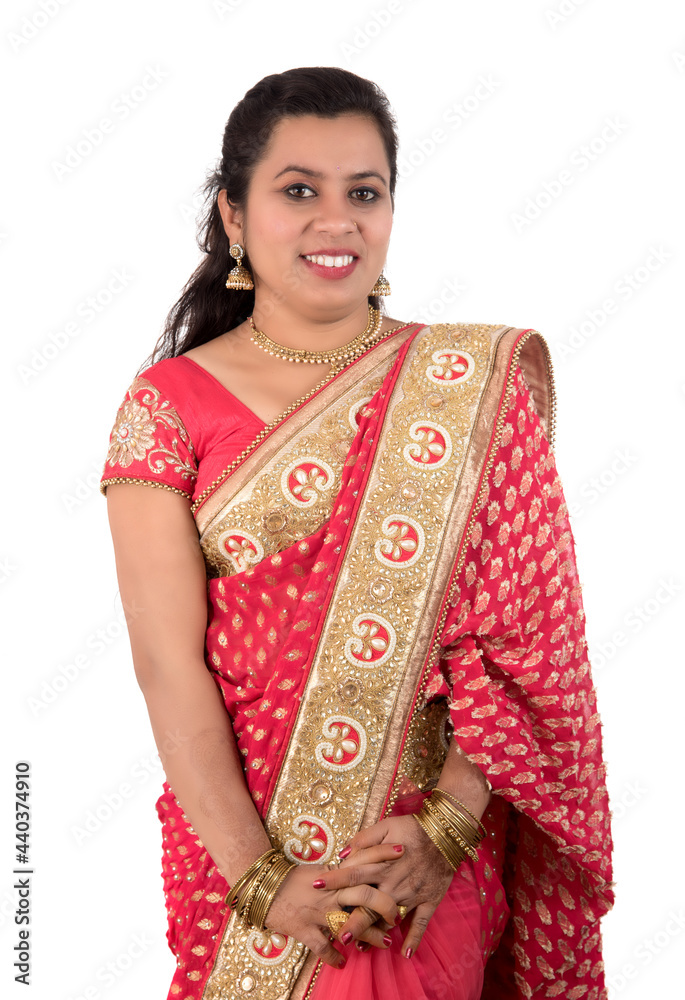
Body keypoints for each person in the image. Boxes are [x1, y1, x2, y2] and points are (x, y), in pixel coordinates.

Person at [100, 67, 614, 1000]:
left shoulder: (465, 385)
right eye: (298, 190)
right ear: (233, 215)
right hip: (248, 865)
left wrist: (450, 828)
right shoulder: (165, 408)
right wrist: (263, 880)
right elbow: (166, 665)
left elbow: (529, 643)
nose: (335, 221)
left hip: (425, 864)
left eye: (363, 193)